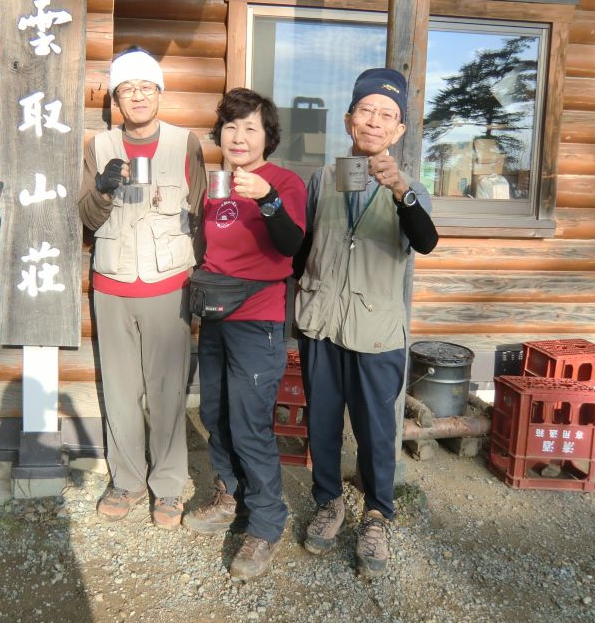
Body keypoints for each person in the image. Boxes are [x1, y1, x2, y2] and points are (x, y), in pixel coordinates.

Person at [295, 67, 439, 578]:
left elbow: (425, 240)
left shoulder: (411, 186)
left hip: (376, 329)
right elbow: (305, 247)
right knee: (323, 420)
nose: (374, 121)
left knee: (379, 428)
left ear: (399, 130)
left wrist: (401, 191)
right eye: (366, 110)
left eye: (387, 115)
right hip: (322, 322)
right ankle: (329, 500)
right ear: (349, 119)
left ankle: (378, 513)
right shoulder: (324, 177)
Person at [78, 47, 206, 529]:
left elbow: (199, 211)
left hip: (168, 285)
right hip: (111, 284)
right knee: (120, 388)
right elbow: (86, 218)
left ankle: (168, 487)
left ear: (159, 93)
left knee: (168, 390)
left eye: (145, 87)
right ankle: (128, 480)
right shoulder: (100, 145)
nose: (136, 96)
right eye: (126, 89)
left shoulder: (184, 143)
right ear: (115, 97)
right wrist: (106, 189)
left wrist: (196, 275)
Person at [182, 88, 307, 581]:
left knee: (251, 421)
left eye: (250, 127)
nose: (238, 136)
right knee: (214, 411)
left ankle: (267, 523)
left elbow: (293, 247)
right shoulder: (217, 183)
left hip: (258, 317)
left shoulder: (284, 182)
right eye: (231, 126)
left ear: (267, 137)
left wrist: (270, 200)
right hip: (215, 312)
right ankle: (229, 495)